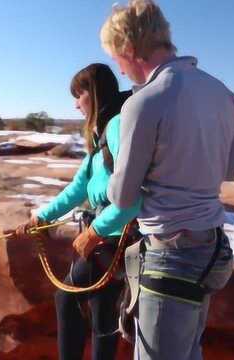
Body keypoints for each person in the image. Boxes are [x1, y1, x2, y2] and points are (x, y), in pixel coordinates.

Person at [98, 1, 234, 359]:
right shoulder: (222, 93)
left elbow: (122, 196)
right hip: (211, 251)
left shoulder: (144, 102)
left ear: (129, 48)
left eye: (117, 57)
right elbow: (231, 171)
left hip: (170, 257)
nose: (119, 66)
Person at [16, 63, 141, 360]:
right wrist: (41, 217)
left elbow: (133, 193)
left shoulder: (116, 126)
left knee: (67, 300)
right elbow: (77, 190)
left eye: (79, 95)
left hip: (111, 239)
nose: (75, 104)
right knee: (101, 316)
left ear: (94, 94)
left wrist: (95, 233)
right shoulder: (101, 140)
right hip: (109, 240)